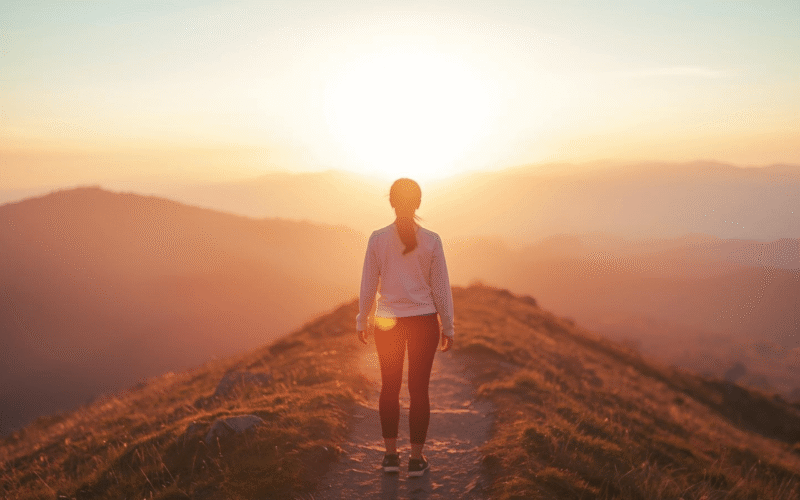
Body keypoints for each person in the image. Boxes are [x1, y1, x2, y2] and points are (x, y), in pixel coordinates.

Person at [356, 178, 455, 477]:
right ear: (419, 203)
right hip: (424, 322)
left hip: (388, 322)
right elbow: (441, 290)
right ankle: (416, 459)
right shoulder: (432, 241)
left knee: (389, 387)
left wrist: (363, 319)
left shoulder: (377, 239)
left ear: (391, 202)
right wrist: (447, 326)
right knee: (418, 390)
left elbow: (368, 285)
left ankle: (389, 457)